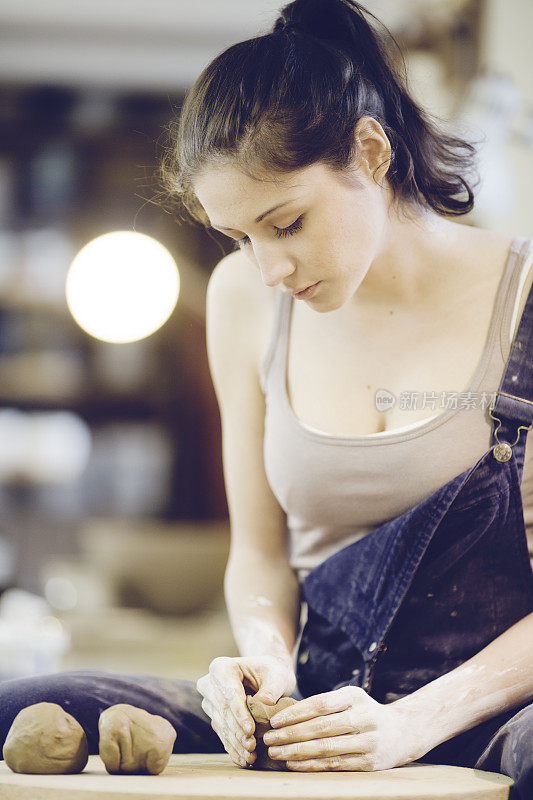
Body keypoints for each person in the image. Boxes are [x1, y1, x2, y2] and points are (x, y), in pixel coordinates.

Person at [1, 0, 532, 795]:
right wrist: (263, 664)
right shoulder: (243, 298)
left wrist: (412, 723)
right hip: (318, 700)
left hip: (483, 707)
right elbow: (257, 551)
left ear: (370, 151)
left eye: (285, 223)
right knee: (27, 701)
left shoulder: (522, 295)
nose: (269, 267)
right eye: (239, 237)